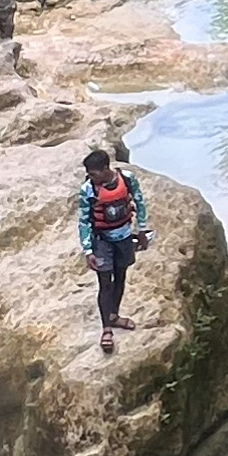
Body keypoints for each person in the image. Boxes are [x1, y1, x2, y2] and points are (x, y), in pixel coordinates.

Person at [75, 147, 153, 353]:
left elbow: (139, 202)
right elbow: (84, 221)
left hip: (124, 238)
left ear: (104, 169)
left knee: (120, 276)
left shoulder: (127, 179)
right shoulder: (88, 190)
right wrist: (88, 250)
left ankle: (114, 315)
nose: (91, 178)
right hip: (102, 241)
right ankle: (106, 329)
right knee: (105, 282)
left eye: (93, 174)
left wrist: (142, 230)